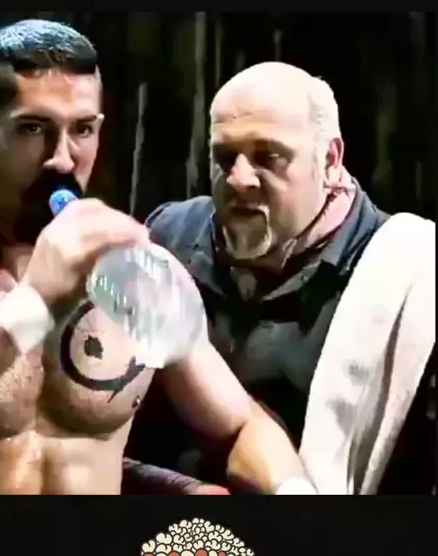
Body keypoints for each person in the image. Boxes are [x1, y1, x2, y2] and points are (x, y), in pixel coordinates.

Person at [0, 20, 310, 496]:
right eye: (33, 128)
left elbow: (240, 425)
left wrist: (297, 496)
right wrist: (34, 302)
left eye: (82, 129)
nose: (63, 159)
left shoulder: (136, 272)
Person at [129, 62, 435, 494]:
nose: (239, 179)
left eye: (268, 156)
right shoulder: (166, 238)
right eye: (224, 157)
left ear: (330, 160)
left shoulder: (413, 278)